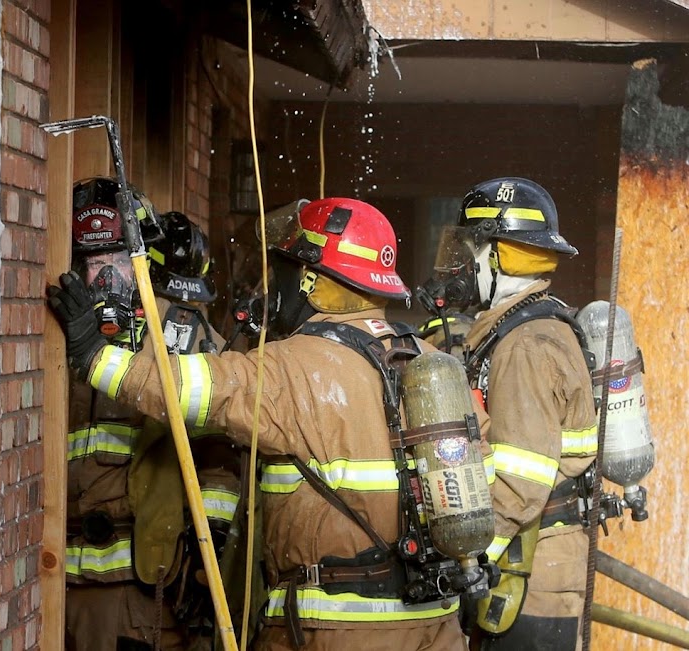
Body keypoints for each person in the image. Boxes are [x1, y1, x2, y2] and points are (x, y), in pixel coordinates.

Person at [48, 196, 497, 651]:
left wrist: (95, 356)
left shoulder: (295, 367)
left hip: (333, 633)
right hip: (436, 624)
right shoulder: (430, 361)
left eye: (284, 268)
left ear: (308, 280)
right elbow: (485, 482)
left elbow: (186, 388)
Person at [421, 177, 597, 651]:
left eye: (471, 250)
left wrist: (469, 560)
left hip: (527, 575)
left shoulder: (525, 345)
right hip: (531, 566)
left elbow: (521, 479)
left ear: (498, 255)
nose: (462, 265)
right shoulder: (526, 326)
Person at [59, 177, 234, 651]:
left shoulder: (180, 335)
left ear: (143, 262)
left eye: (119, 261)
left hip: (143, 589)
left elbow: (222, 452)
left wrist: (210, 550)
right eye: (96, 264)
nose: (109, 278)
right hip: (53, 579)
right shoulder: (52, 332)